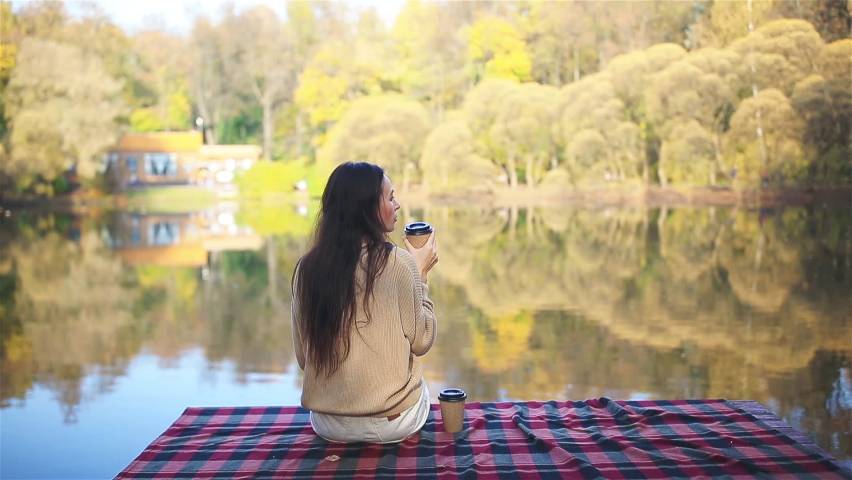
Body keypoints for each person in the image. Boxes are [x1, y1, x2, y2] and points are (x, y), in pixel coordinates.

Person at [291, 162, 439, 444]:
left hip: (327, 424)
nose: (397, 204)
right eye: (391, 197)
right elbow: (423, 341)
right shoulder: (399, 263)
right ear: (369, 208)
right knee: (421, 384)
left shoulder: (306, 269)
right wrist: (420, 277)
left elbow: (303, 358)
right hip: (393, 425)